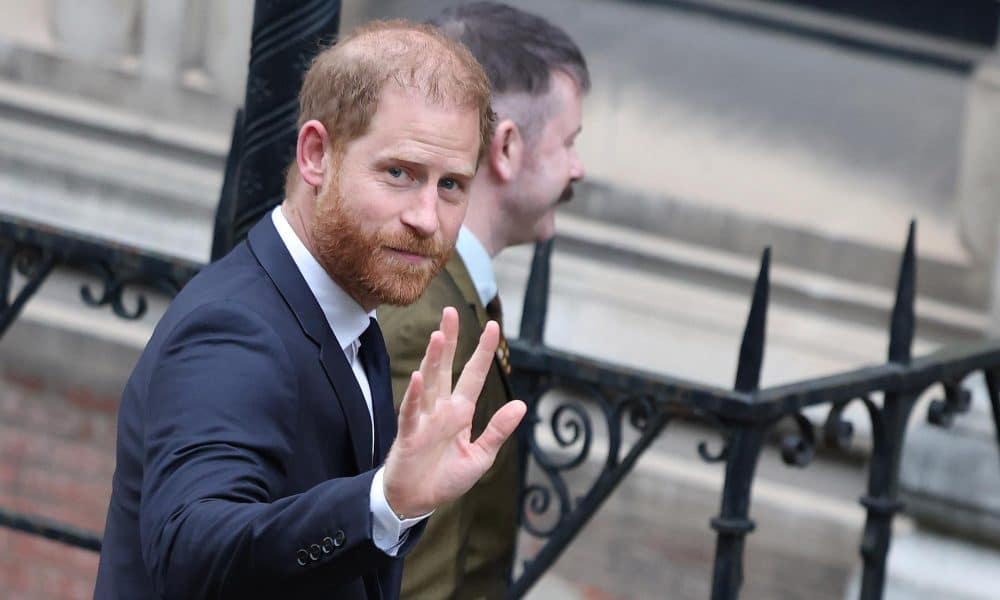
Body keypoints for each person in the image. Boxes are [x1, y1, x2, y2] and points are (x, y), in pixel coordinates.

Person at [94, 19, 526, 600]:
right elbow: (190, 552)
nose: (427, 217)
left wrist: (393, 504)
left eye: (451, 185)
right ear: (317, 154)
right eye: (399, 173)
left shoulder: (349, 312)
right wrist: (383, 502)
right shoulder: (237, 328)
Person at [379, 4, 589, 598]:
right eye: (569, 141)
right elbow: (415, 574)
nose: (578, 166)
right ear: (506, 147)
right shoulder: (427, 319)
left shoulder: (452, 292)